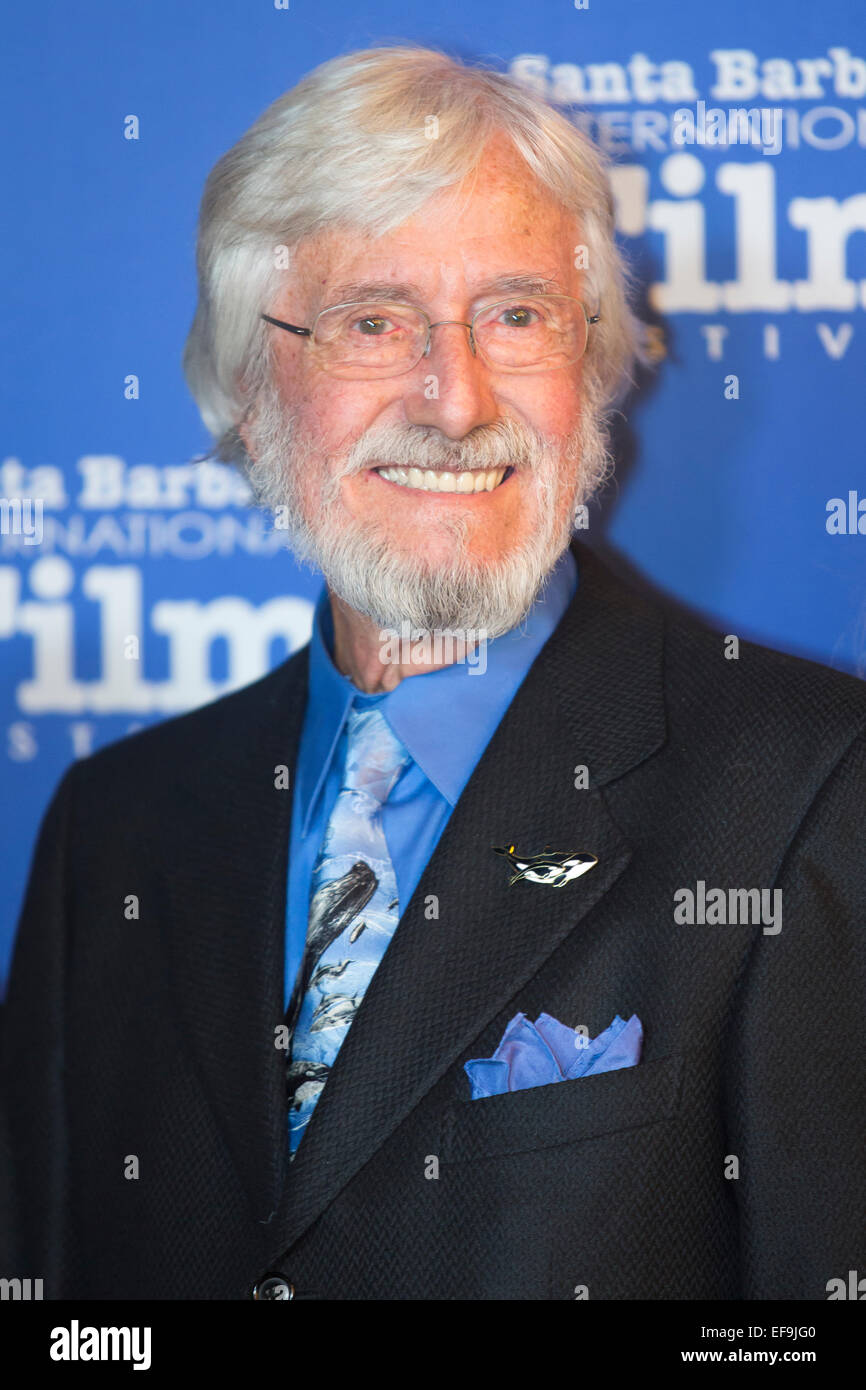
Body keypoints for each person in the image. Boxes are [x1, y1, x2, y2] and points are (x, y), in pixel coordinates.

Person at [2, 44, 864, 1301]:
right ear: (252, 390)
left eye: (513, 314)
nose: (453, 399)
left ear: (591, 366)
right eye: (372, 322)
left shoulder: (808, 788)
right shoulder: (114, 830)